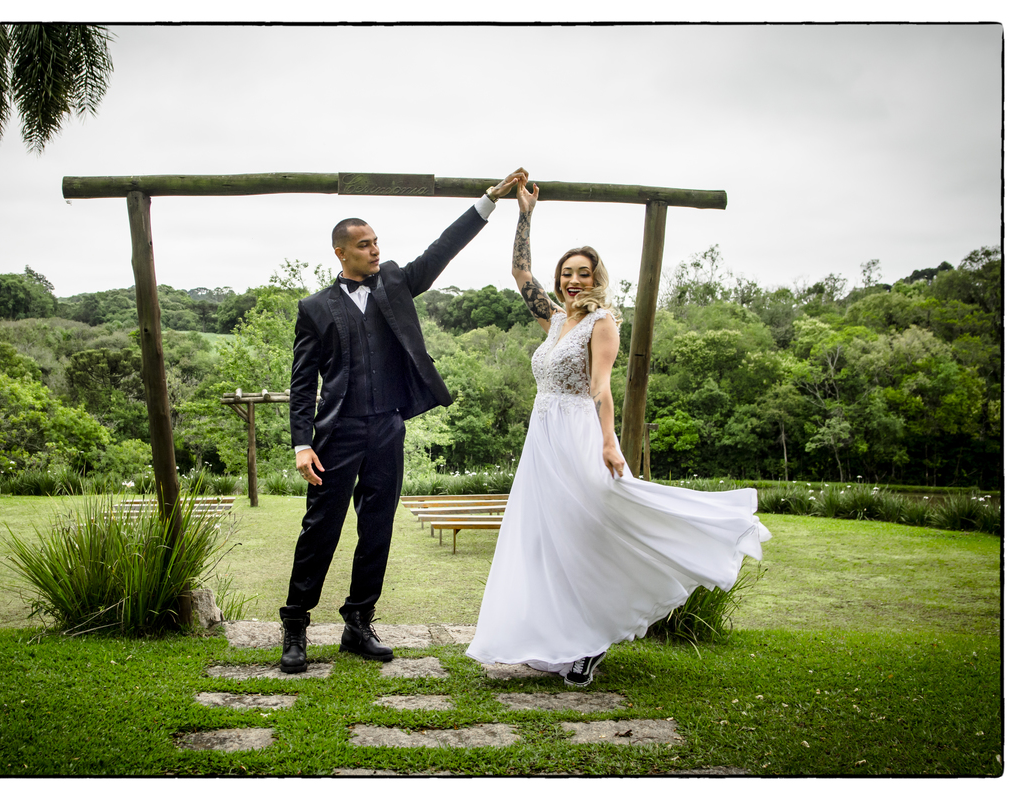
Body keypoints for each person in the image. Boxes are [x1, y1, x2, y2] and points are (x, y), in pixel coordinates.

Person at [465, 179, 772, 686]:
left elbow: (602, 389)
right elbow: (520, 271)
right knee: (547, 541)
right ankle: (559, 636)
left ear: (597, 277)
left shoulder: (601, 322)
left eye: (582, 273)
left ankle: (592, 642)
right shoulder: (555, 319)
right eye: (566, 273)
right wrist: (524, 213)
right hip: (541, 443)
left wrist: (609, 443)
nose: (572, 281)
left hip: (578, 436)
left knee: (589, 533)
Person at [279, 167, 530, 674]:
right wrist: (301, 443)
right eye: (365, 244)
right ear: (341, 252)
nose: (374, 250)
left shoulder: (394, 282)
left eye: (376, 242)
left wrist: (490, 200)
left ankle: (358, 622)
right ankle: (296, 627)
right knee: (319, 531)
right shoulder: (315, 309)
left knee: (378, 530)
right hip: (337, 433)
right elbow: (303, 381)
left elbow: (441, 249)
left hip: (388, 428)